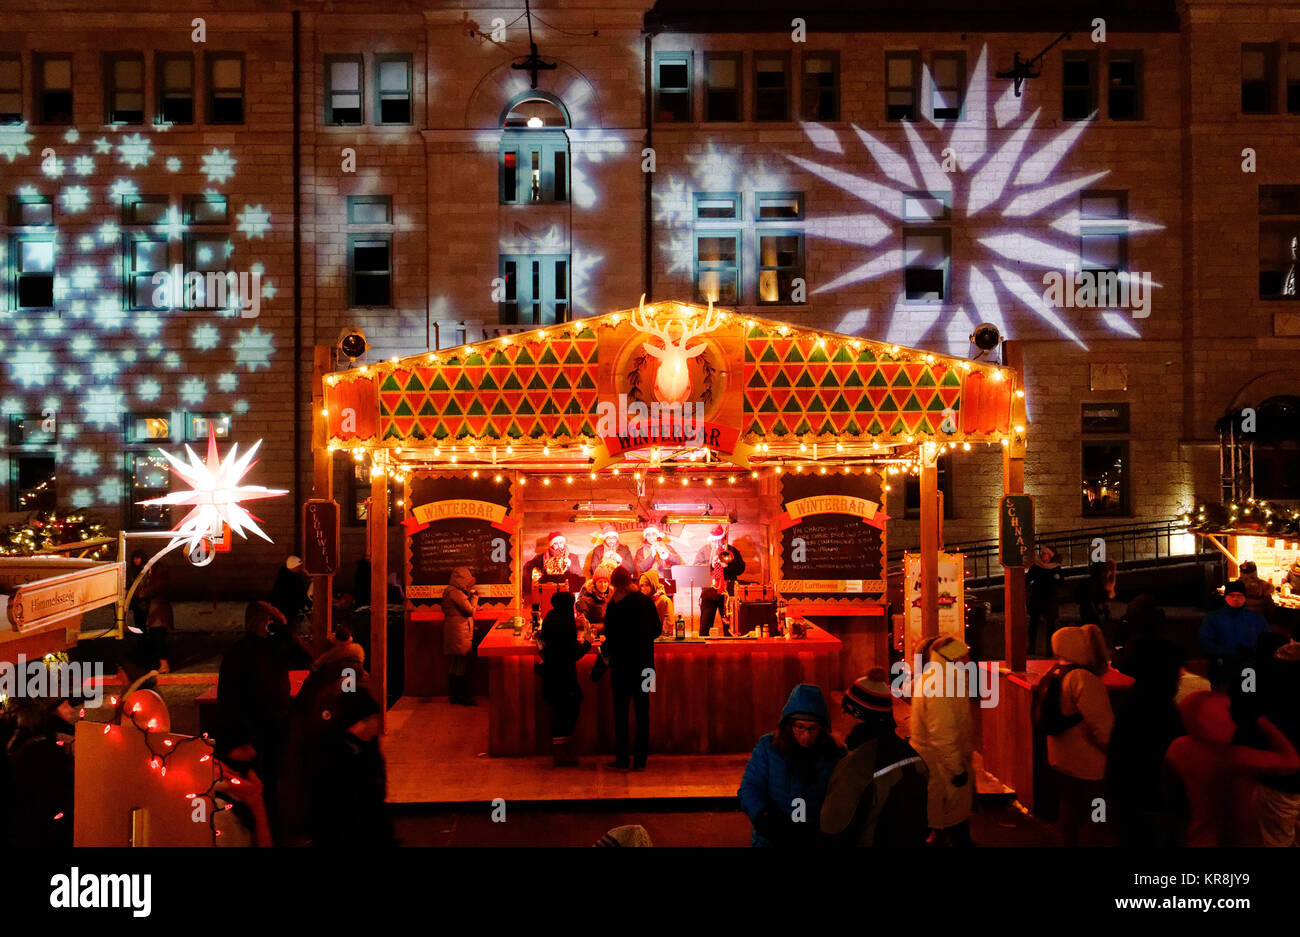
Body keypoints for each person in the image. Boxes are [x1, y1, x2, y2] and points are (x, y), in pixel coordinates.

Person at [1163, 690, 1300, 846]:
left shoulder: (1178, 747)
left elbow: (1171, 793)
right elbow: (1292, 762)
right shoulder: (1235, 756)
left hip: (1194, 835)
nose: (1235, 721)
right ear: (1210, 721)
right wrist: (1263, 721)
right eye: (1228, 713)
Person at [821, 669, 929, 846]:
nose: (841, 717)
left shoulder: (857, 766)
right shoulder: (913, 757)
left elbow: (833, 829)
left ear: (857, 715)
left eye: (844, 711)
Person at [738, 684, 844, 846]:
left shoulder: (834, 754)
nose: (806, 735)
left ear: (822, 729)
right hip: (772, 836)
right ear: (789, 725)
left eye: (813, 729)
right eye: (800, 727)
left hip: (815, 837)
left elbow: (843, 796)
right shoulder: (769, 747)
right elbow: (750, 788)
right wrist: (764, 816)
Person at [1104, 636, 1185, 846]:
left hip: (1127, 799)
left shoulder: (1135, 698)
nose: (1181, 675)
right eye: (1177, 669)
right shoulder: (1159, 708)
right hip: (1150, 804)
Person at [217, 600, 291, 826]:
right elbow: (229, 698)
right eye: (266, 621)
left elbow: (301, 651)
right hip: (252, 734)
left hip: (273, 730)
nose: (270, 626)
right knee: (255, 788)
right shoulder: (239, 653)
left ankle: (271, 828)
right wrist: (241, 739)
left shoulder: (274, 647)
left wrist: (282, 622)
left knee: (273, 783)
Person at [1042, 623, 1113, 846]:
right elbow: (1101, 724)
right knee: (1097, 807)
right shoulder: (1082, 678)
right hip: (1090, 762)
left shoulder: (1054, 674)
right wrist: (1112, 750)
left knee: (1069, 805)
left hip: (1061, 756)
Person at [909, 635, 976, 846]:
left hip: (938, 765)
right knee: (948, 822)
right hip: (942, 768)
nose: (967, 661)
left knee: (944, 823)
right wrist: (957, 770)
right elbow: (942, 735)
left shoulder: (939, 678)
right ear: (952, 658)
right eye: (963, 657)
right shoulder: (942, 685)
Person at [309, 688, 395, 846]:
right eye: (367, 720)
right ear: (352, 723)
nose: (374, 724)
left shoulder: (368, 748)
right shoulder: (335, 756)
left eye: (374, 718)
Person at [600, 566, 661, 770]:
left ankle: (623, 758)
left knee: (621, 712)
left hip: (621, 667)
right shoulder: (646, 602)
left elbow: (609, 635)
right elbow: (656, 630)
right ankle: (641, 759)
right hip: (646, 666)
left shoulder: (615, 606)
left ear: (615, 585)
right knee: (644, 711)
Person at [539, 591, 591, 767]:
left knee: (560, 710)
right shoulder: (564, 623)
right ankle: (561, 752)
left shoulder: (551, 617)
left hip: (551, 673)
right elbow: (572, 653)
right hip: (564, 675)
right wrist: (587, 643)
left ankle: (561, 749)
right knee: (567, 709)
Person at [1199, 580, 1270, 687]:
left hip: (1249, 668)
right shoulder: (1212, 618)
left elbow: (1267, 642)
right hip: (1222, 666)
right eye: (1231, 595)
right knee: (1223, 698)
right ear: (1225, 597)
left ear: (1245, 598)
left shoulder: (1257, 619)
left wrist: (1253, 654)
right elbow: (1205, 641)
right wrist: (1229, 652)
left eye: (1239, 595)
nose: (1235, 598)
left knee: (1247, 697)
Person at [212, 725, 274, 847]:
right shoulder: (219, 807)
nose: (253, 752)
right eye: (244, 748)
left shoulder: (246, 793)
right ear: (224, 753)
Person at [697, 527, 745, 637]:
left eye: (719, 540)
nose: (717, 543)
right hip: (709, 592)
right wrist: (711, 565)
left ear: (723, 539)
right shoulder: (704, 550)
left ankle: (730, 651)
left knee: (730, 627)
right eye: (714, 540)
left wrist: (728, 566)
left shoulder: (731, 550)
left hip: (728, 594)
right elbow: (697, 567)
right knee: (705, 626)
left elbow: (741, 569)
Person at [114, 643, 170, 733]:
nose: (118, 676)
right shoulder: (137, 694)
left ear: (132, 671)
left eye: (120, 671)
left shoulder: (143, 698)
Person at [442, 566, 478, 706]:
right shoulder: (455, 593)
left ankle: (454, 695)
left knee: (455, 664)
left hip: (454, 629)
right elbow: (469, 611)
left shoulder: (449, 591)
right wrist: (474, 598)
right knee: (462, 663)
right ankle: (462, 696)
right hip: (459, 631)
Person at [1024, 545, 1063, 656]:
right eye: (1042, 554)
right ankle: (1031, 648)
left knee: (1050, 626)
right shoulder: (1036, 567)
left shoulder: (1056, 568)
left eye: (1045, 554)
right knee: (1033, 625)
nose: (1042, 556)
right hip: (1037, 599)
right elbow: (1026, 580)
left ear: (1050, 556)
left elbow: (1061, 583)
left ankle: (1049, 650)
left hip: (1049, 600)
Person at [270, 555, 310, 628]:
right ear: (294, 566)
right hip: (287, 611)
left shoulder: (292, 577)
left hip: (290, 611)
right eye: (299, 566)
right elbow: (297, 594)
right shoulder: (289, 580)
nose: (301, 568)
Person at [1074, 559, 1116, 626]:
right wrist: (1098, 612)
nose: (1108, 572)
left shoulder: (1091, 583)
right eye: (1105, 570)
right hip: (1090, 613)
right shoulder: (1093, 585)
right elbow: (1089, 600)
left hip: (1089, 612)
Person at [638, 569, 673, 635]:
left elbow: (668, 627)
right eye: (642, 586)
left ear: (653, 584)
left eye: (647, 585)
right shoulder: (641, 601)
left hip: (660, 640)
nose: (643, 588)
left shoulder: (665, 601)